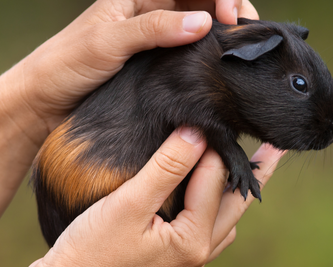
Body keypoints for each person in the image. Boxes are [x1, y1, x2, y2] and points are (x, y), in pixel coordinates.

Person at [0, 0, 285, 266]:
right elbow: (185, 106)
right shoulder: (195, 74)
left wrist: (27, 104)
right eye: (298, 85)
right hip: (96, 185)